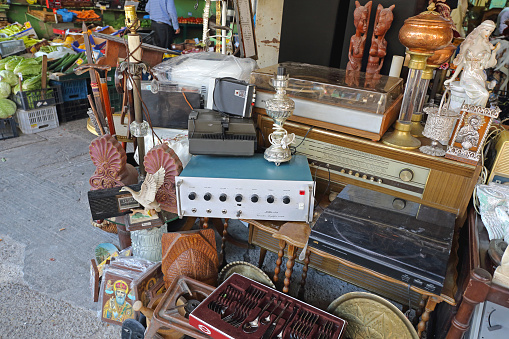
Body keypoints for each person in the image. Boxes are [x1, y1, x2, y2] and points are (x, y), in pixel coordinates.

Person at [444, 20, 500, 107]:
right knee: (484, 94)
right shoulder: (469, 44)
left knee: (484, 93)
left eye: (490, 31)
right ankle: (471, 116)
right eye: (486, 30)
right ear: (480, 29)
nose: (488, 33)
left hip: (480, 76)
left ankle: (473, 117)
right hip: (468, 75)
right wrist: (453, 78)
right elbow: (461, 63)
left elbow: (489, 64)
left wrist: (494, 52)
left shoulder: (487, 46)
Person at [346, 1, 372, 72]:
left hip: (358, 64)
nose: (365, 24)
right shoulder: (353, 38)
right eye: (363, 21)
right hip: (352, 63)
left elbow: (370, 3)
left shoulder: (363, 38)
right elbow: (349, 53)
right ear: (356, 22)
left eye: (366, 21)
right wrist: (351, 61)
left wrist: (364, 8)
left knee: (356, 81)